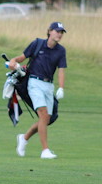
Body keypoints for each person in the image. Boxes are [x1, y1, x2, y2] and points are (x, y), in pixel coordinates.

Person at [8, 22, 67, 159]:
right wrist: (13, 60)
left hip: (48, 85)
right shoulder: (37, 43)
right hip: (34, 83)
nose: (59, 34)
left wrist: (61, 88)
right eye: (57, 31)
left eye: (61, 32)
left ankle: (24, 138)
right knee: (43, 114)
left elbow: (61, 71)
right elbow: (21, 58)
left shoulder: (61, 51)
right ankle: (45, 150)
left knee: (46, 119)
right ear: (50, 31)